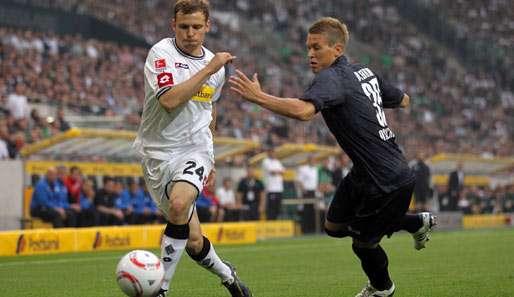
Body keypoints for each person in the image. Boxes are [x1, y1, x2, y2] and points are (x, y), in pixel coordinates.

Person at [229, 17, 435, 297]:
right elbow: (403, 100)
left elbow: (303, 112)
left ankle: (382, 288)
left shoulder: (332, 77)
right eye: (308, 48)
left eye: (317, 48)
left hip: (386, 179)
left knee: (363, 245)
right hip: (367, 171)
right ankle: (413, 222)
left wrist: (259, 97)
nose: (310, 54)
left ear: (337, 50)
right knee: (334, 227)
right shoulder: (364, 72)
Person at [132, 1, 251, 296]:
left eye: (197, 27)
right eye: (184, 26)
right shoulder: (161, 54)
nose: (190, 33)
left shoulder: (216, 68)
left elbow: (209, 110)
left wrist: (210, 161)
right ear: (174, 25)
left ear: (207, 27)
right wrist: (210, 67)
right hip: (157, 153)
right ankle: (228, 276)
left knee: (178, 204)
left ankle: (160, 288)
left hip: (195, 148)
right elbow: (169, 100)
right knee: (194, 240)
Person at [296, 155, 319, 234]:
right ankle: (305, 229)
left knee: (313, 211)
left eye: (314, 160)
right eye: (312, 160)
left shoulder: (316, 169)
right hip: (307, 192)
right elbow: (299, 181)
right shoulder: (303, 169)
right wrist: (303, 190)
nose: (313, 162)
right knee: (306, 210)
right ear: (308, 161)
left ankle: (312, 228)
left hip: (314, 192)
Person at [261, 149, 285, 220]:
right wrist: (279, 171)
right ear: (268, 153)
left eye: (274, 152)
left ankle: (276, 223)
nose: (273, 154)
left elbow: (283, 171)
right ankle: (270, 223)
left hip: (279, 189)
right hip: (271, 189)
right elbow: (272, 172)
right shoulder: (265, 161)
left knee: (277, 208)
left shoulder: (277, 162)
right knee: (271, 209)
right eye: (271, 152)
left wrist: (278, 171)